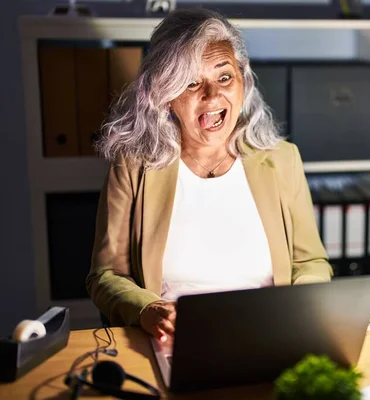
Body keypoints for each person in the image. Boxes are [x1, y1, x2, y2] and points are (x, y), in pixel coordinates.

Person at [86, 7, 332, 341]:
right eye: (191, 82)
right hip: (177, 338)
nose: (213, 95)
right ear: (165, 94)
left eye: (224, 77)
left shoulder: (283, 160)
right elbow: (106, 275)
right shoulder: (132, 165)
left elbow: (312, 262)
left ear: (243, 81)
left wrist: (298, 304)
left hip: (270, 333)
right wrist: (145, 309)